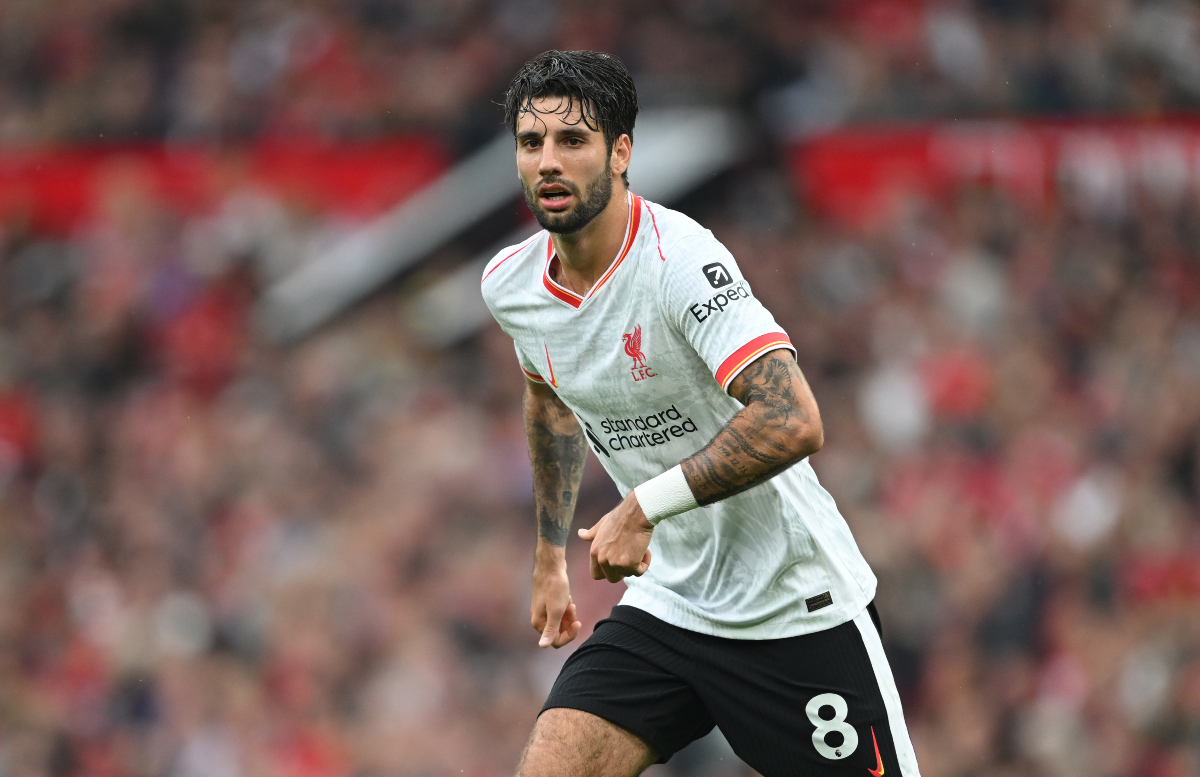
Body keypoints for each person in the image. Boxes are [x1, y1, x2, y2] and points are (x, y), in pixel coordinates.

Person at [481, 50, 922, 777]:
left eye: (573, 141)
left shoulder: (678, 260)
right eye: (532, 143)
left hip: (794, 606)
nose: (548, 162)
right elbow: (549, 399)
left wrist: (645, 505)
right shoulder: (512, 284)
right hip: (671, 602)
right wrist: (547, 555)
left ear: (620, 152)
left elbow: (792, 418)